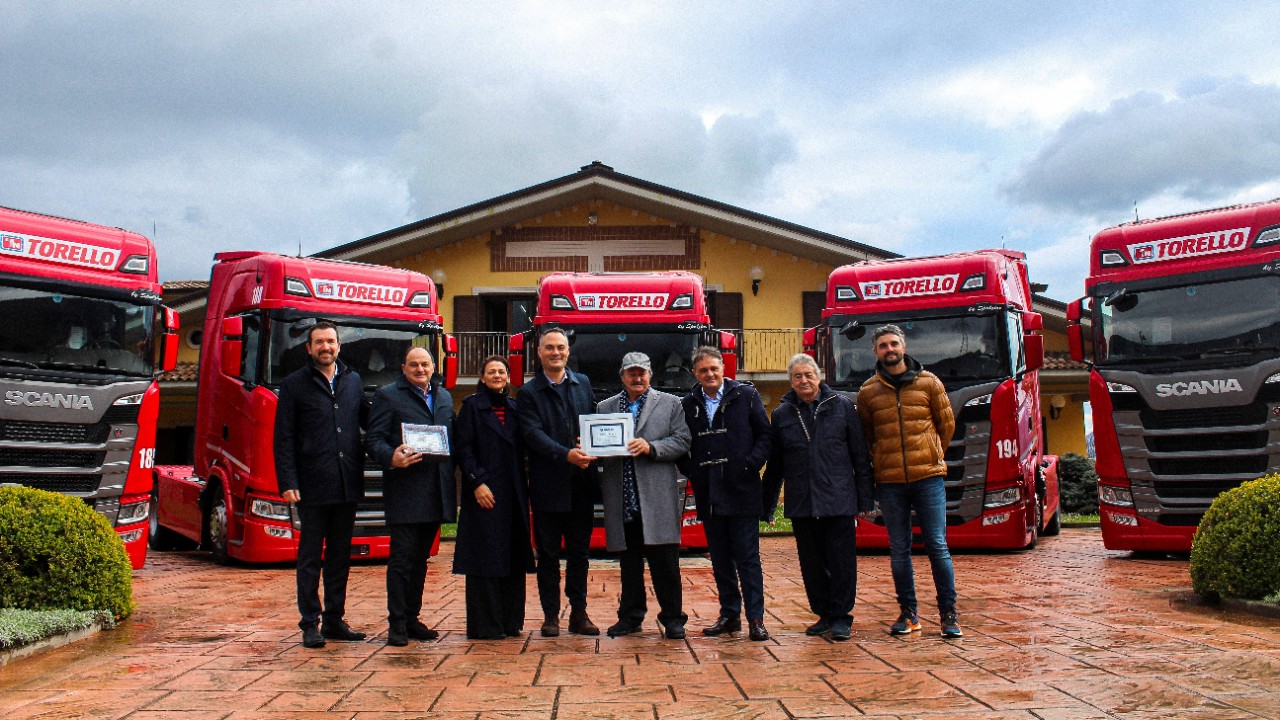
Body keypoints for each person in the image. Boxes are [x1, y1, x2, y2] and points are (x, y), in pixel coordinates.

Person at [856, 324, 961, 639]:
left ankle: (948, 615)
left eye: (894, 344)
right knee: (898, 549)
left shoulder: (929, 383)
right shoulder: (868, 392)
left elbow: (947, 425)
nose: (889, 350)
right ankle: (909, 614)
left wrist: (931, 456)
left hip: (928, 478)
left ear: (903, 346)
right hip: (889, 483)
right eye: (883, 346)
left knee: (937, 546)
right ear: (876, 352)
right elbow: (867, 437)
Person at [762, 353, 874, 641]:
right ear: (791, 381)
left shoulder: (843, 407)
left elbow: (860, 457)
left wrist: (864, 500)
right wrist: (768, 505)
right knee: (811, 563)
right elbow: (776, 465)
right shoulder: (782, 414)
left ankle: (841, 616)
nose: (803, 380)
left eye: (808, 375)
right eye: (797, 376)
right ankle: (823, 614)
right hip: (802, 501)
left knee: (841, 562)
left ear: (819, 376)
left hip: (838, 498)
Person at [273, 321, 369, 649]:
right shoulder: (294, 385)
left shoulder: (354, 381)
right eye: (319, 342)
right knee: (311, 557)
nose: (325, 347)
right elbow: (283, 437)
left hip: (346, 484)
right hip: (311, 486)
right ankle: (309, 623)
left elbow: (371, 422)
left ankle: (334, 619)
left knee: (340, 556)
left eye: (330, 341)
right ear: (309, 348)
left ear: (339, 346)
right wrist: (287, 480)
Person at [677, 347, 772, 641]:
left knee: (748, 558)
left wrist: (750, 464)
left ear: (723, 369)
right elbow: (680, 442)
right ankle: (729, 615)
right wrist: (693, 470)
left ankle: (756, 618)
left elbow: (765, 435)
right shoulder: (688, 403)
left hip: (742, 489)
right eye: (703, 370)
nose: (710, 374)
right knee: (719, 559)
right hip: (709, 492)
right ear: (696, 373)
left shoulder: (746, 396)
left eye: (714, 369)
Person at [597, 352, 692, 639]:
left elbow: (682, 440)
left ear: (650, 374)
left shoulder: (671, 403)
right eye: (631, 373)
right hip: (623, 497)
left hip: (657, 496)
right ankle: (631, 616)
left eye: (642, 373)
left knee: (665, 562)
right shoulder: (605, 407)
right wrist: (591, 447)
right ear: (622, 377)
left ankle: (673, 617)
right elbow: (598, 443)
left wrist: (651, 448)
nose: (637, 378)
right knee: (629, 564)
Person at [365, 347, 455, 646]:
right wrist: (391, 456)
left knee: (420, 560)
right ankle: (397, 624)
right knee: (402, 560)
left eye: (425, 364)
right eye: (414, 365)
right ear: (403, 368)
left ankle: (413, 618)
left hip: (435, 490)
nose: (420, 369)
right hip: (405, 491)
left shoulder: (442, 397)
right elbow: (373, 440)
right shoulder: (388, 395)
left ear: (433, 367)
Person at [516, 327, 601, 637]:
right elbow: (532, 435)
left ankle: (579, 613)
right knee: (549, 554)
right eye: (549, 348)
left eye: (560, 348)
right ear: (539, 353)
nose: (555, 352)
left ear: (568, 352)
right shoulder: (527, 393)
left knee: (580, 553)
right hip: (548, 485)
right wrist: (566, 454)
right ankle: (551, 615)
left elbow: (593, 422)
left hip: (581, 484)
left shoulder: (583, 384)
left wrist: (593, 445)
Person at [453, 356, 535, 639]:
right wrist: (477, 482)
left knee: (511, 556)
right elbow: (463, 450)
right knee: (485, 558)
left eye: (502, 371)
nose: (497, 375)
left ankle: (510, 621)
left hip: (513, 494)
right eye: (492, 372)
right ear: (483, 377)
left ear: (508, 377)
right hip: (484, 494)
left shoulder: (515, 408)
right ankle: (486, 625)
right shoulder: (472, 407)